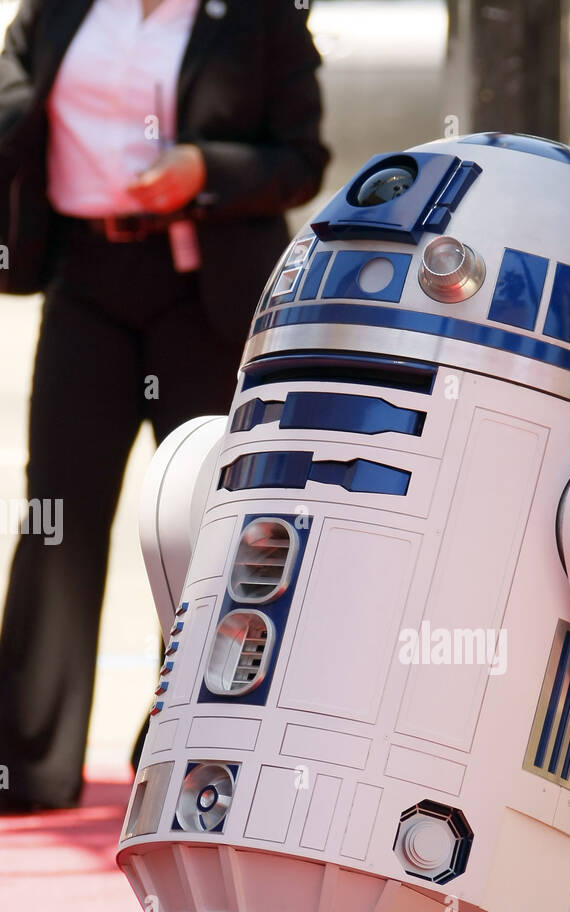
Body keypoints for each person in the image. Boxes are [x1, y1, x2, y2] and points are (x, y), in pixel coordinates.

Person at [0, 0, 329, 811]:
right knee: (57, 513)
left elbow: (302, 160)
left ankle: (189, 755)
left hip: (205, 294)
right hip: (85, 282)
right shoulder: (56, 9)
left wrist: (205, 170)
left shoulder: (259, 16)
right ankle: (28, 763)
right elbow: (13, 105)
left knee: (206, 520)